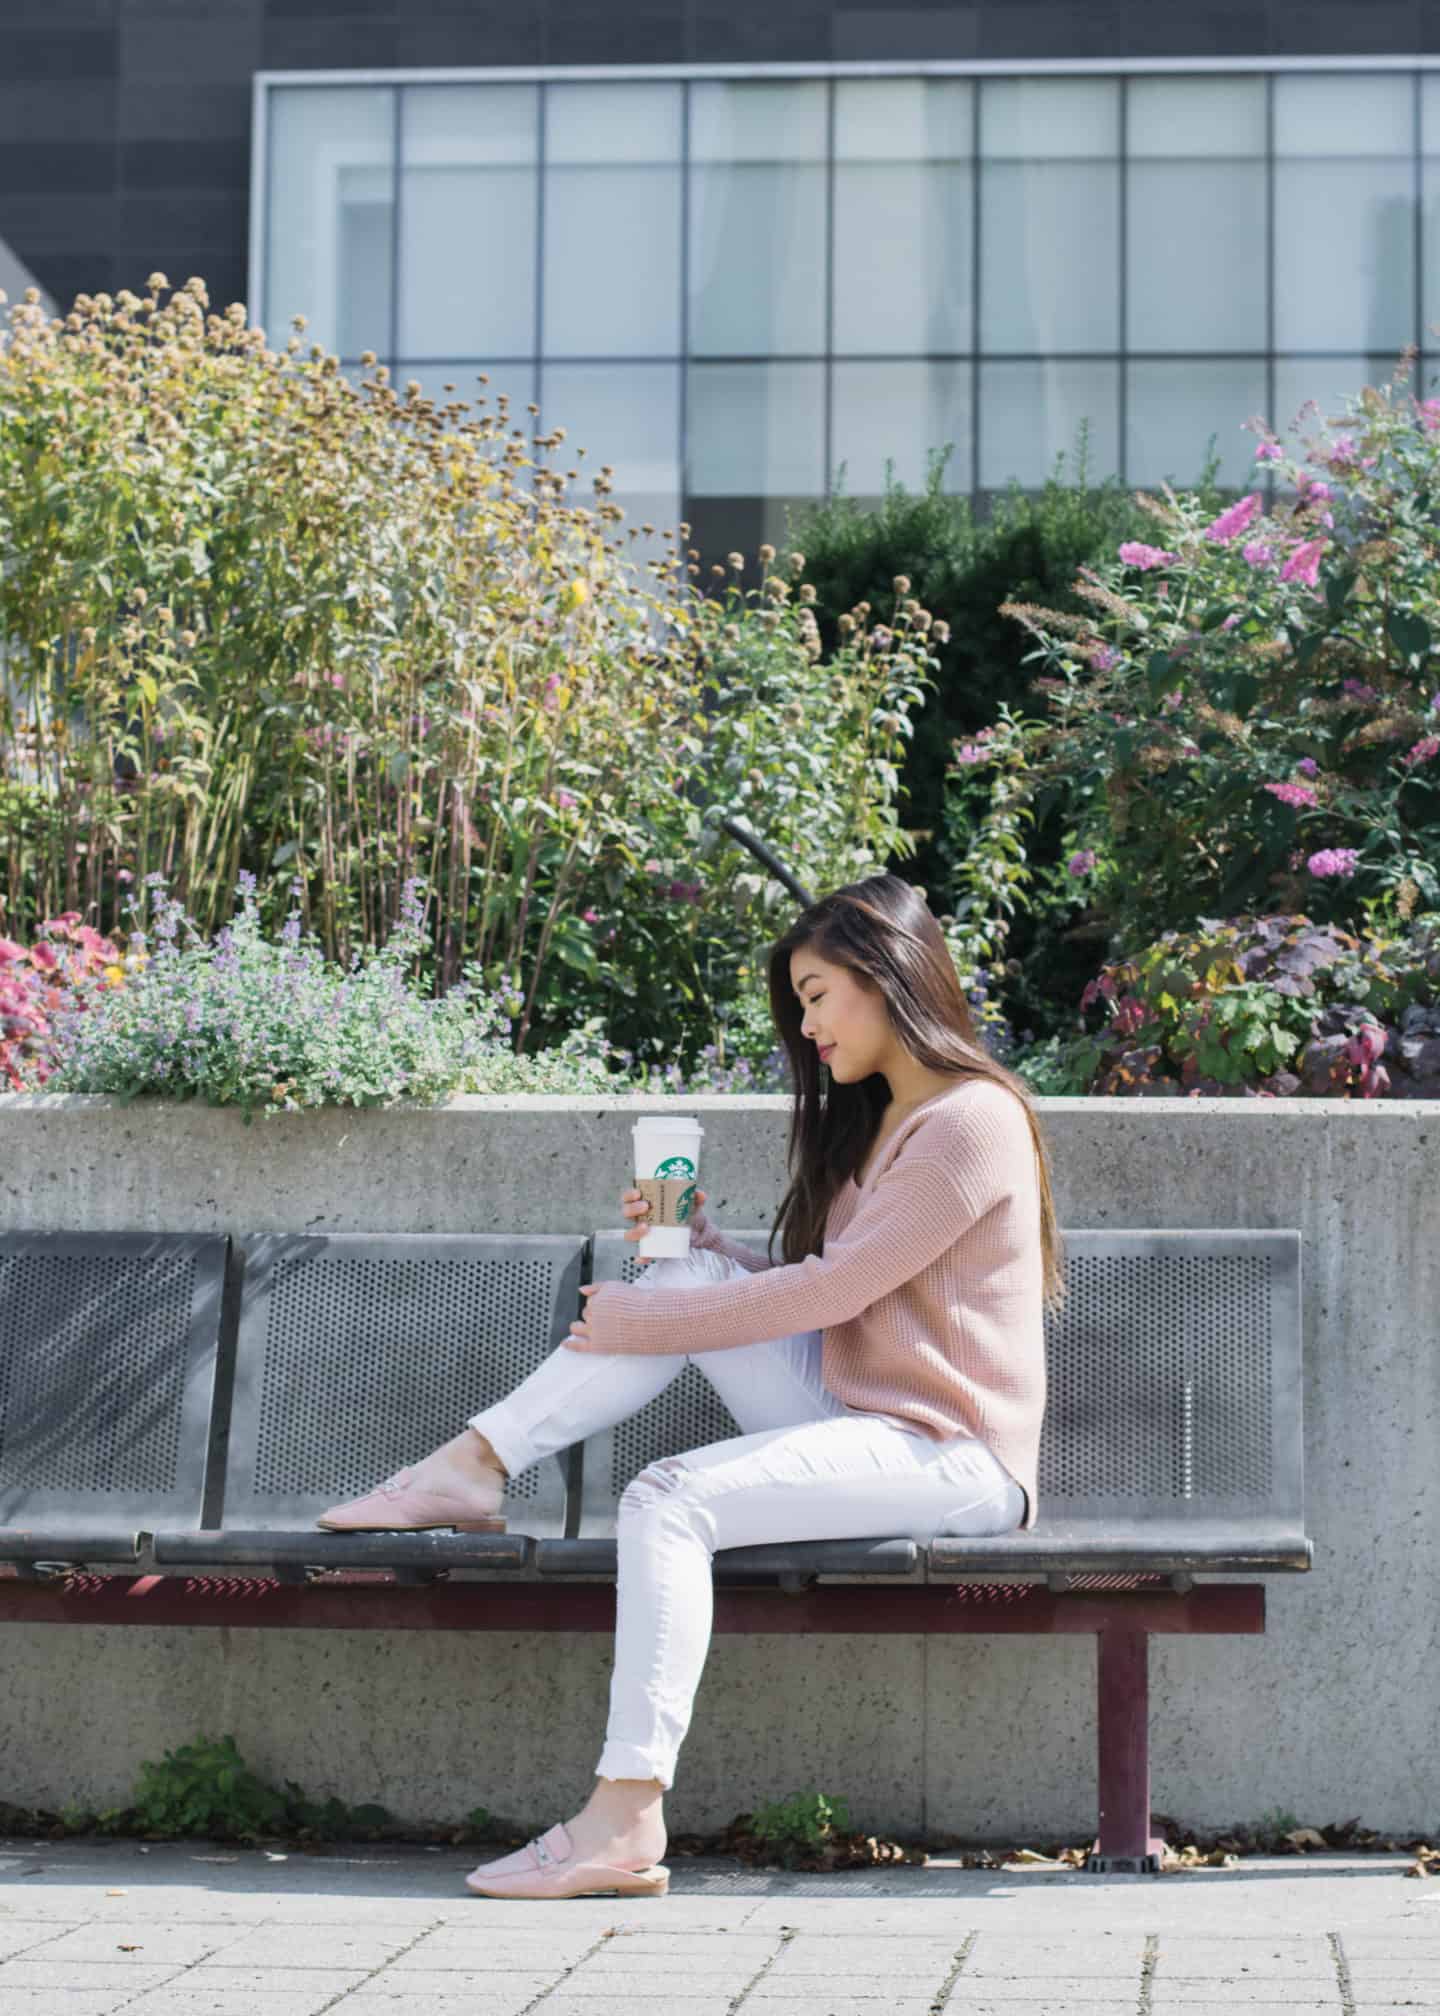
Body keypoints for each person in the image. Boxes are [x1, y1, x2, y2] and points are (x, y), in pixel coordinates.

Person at [318, 871, 1065, 1900]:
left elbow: (838, 1288)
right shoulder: (887, 1124)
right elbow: (840, 1295)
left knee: (668, 1496)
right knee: (680, 1266)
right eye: (799, 1004)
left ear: (886, 976)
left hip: (952, 1457)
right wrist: (708, 1259)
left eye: (815, 996)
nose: (806, 1029)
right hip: (864, 1418)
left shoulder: (972, 1120)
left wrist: (641, 1315)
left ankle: (625, 1815)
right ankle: (474, 1463)